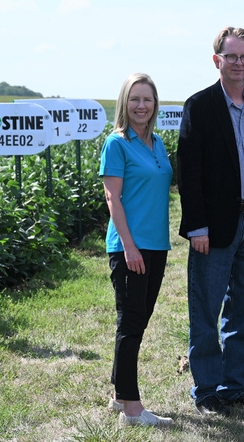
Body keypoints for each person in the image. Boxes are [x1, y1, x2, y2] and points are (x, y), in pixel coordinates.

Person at [176, 26, 244, 417]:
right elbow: (189, 170)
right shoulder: (199, 105)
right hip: (215, 227)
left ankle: (235, 385)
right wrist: (197, 226)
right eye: (231, 56)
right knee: (205, 306)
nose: (238, 64)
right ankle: (206, 388)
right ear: (216, 59)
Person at [100, 73, 174, 427]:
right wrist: (129, 247)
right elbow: (112, 197)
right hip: (130, 247)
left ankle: (118, 394)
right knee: (131, 324)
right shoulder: (116, 143)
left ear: (155, 105)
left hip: (156, 244)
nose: (141, 105)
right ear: (124, 104)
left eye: (147, 99)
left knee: (137, 321)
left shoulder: (157, 143)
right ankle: (132, 409)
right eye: (134, 99)